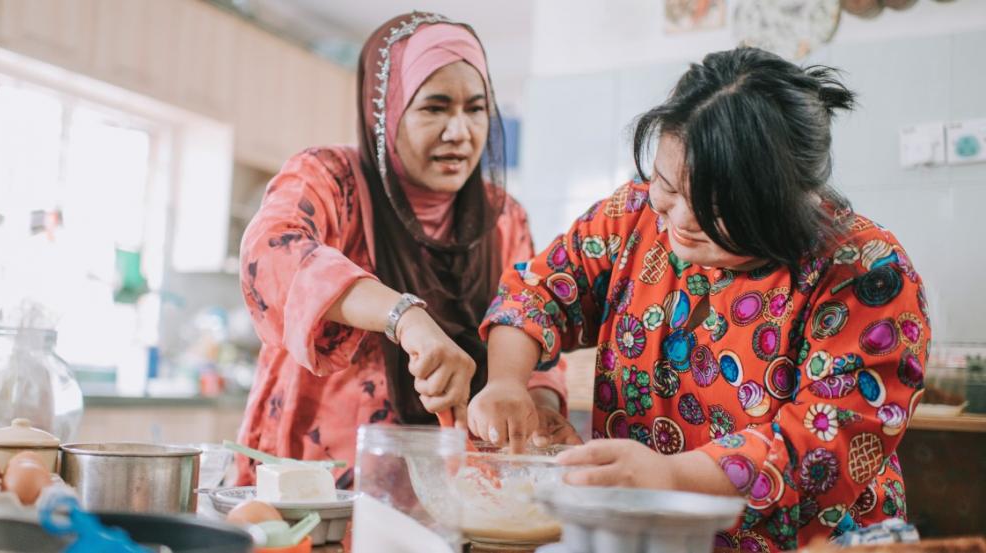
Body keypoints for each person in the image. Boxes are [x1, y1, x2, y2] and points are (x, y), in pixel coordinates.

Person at [469, 47, 930, 550]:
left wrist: (669, 477)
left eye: (714, 205)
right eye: (668, 185)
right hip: (641, 537)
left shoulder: (865, 270)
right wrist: (507, 383)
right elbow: (538, 291)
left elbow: (825, 448)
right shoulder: (636, 215)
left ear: (786, 198)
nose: (681, 220)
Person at [235, 12, 569, 487]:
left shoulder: (502, 216)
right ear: (387, 112)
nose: (460, 132)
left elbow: (531, 326)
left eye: (475, 109)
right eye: (434, 107)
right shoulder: (331, 179)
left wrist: (539, 405)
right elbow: (269, 256)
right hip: (317, 484)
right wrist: (405, 317)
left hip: (456, 483)